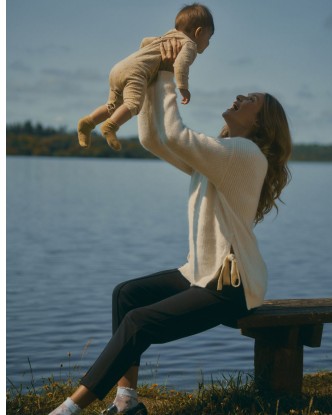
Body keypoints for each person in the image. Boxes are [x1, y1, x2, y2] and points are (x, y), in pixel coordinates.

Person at [49, 39, 292, 415]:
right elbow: (155, 139)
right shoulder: (220, 157)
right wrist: (152, 75)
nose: (239, 98)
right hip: (200, 274)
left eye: (250, 99)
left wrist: (166, 71)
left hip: (230, 285)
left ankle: (69, 409)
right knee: (126, 295)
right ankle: (126, 402)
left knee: (138, 322)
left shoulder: (244, 155)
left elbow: (175, 135)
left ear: (260, 122)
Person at [77, 3, 214, 152]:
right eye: (209, 38)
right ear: (199, 32)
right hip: (137, 72)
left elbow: (145, 40)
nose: (208, 43)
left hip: (120, 67)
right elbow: (180, 66)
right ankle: (110, 127)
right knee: (133, 104)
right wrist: (183, 88)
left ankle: (88, 123)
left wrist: (145, 57)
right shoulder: (189, 45)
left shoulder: (166, 36)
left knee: (113, 105)